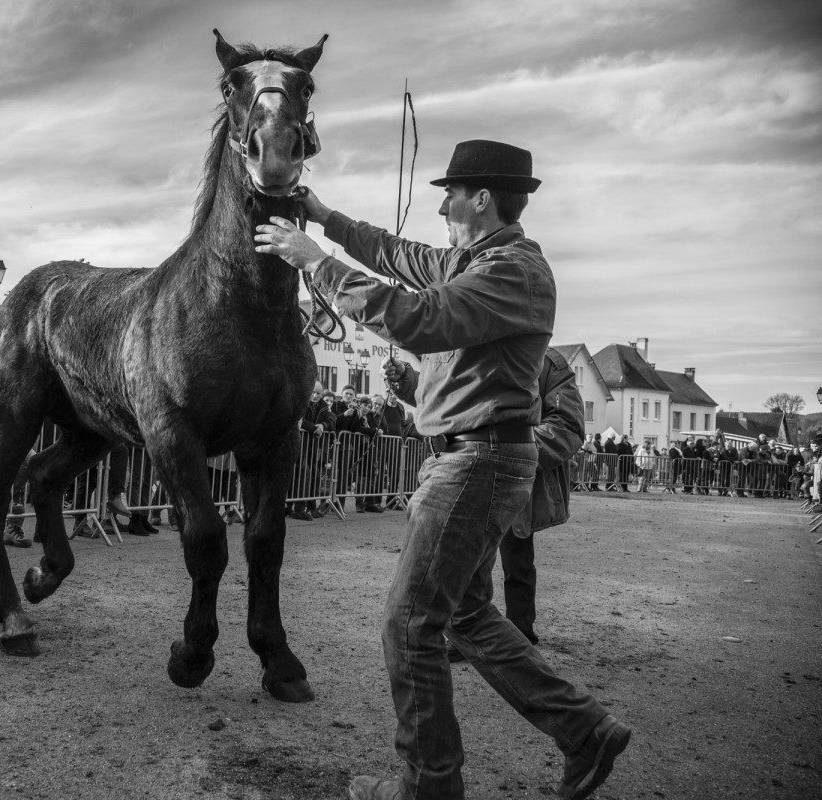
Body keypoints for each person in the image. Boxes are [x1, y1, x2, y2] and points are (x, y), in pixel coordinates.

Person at [255, 138, 629, 800]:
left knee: (409, 624)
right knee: (465, 614)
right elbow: (399, 256)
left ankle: (431, 784)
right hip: (472, 455)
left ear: (480, 198)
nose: (442, 206)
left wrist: (319, 264)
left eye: (450, 194)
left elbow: (421, 319)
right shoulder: (476, 260)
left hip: (478, 460)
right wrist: (326, 216)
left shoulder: (514, 272)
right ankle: (583, 730)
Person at [446, 348, 583, 663]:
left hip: (517, 476)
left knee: (516, 560)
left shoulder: (549, 363)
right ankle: (469, 632)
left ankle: (521, 634)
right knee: (467, 559)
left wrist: (516, 453)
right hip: (473, 470)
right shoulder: (475, 351)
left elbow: (567, 424)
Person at [290, 382, 335, 521]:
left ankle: (311, 507)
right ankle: (297, 509)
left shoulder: (323, 406)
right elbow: (298, 420)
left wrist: (323, 425)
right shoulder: (301, 401)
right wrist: (314, 428)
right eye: (313, 392)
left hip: (313, 445)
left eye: (319, 393)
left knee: (313, 475)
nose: (315, 396)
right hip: (298, 443)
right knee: (302, 474)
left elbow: (332, 422)